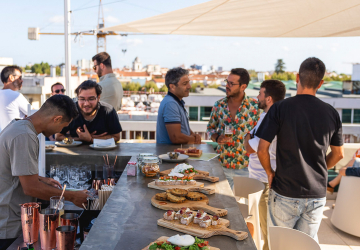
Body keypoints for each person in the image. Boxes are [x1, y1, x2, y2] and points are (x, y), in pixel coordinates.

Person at [256, 57, 344, 241]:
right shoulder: (331, 112)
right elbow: (338, 154)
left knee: (279, 244)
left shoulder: (280, 108)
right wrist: (317, 171)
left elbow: (262, 149)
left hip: (284, 191)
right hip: (316, 194)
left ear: (297, 77)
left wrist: (270, 173)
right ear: (321, 83)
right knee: (305, 245)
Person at [0, 95, 88, 249]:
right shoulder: (24, 136)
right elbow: (31, 188)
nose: (60, 131)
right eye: (63, 126)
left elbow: (12, 169)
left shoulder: (18, 126)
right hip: (9, 225)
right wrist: (73, 196)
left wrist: (39, 178)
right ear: (56, 119)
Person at [243, 80, 286, 250]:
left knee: (267, 229)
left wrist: (247, 136)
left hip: (264, 181)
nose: (257, 97)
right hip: (259, 179)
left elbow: (249, 148)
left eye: (260, 94)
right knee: (259, 226)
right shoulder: (266, 117)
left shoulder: (271, 120)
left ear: (268, 99)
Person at [206, 68, 260, 188]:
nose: (227, 86)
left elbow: (262, 135)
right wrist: (217, 137)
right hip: (221, 166)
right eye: (227, 82)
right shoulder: (218, 105)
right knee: (222, 204)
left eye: (231, 83)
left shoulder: (255, 107)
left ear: (243, 86)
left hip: (246, 168)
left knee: (244, 206)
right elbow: (210, 128)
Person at [55, 80, 122, 143]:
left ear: (98, 98)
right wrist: (81, 139)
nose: (86, 103)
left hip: (104, 154)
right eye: (82, 99)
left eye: (91, 99)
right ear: (77, 98)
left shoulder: (108, 111)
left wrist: (91, 139)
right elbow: (58, 136)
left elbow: (116, 137)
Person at [156, 67, 201, 144]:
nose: (189, 86)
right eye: (185, 84)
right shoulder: (171, 104)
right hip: (172, 154)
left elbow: (183, 128)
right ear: (172, 87)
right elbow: (175, 137)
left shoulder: (176, 102)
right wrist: (194, 139)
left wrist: (193, 135)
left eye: (188, 83)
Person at [0, 66, 30, 132]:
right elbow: (34, 115)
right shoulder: (16, 96)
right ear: (11, 77)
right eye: (20, 77)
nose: (22, 80)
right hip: (15, 139)